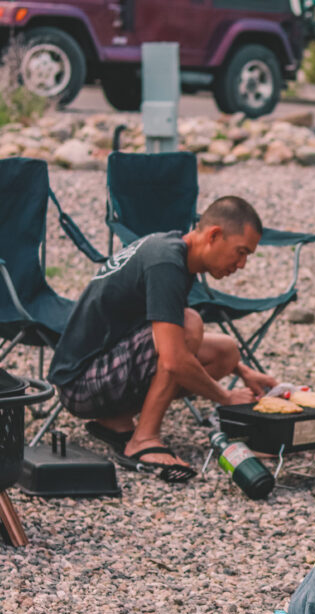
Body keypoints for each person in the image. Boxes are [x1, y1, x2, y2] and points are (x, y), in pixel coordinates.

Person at [48, 196, 277, 483]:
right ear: (214, 235)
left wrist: (242, 371)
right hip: (81, 384)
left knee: (226, 353)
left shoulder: (174, 251)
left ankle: (115, 421)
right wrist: (226, 397)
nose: (242, 264)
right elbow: (173, 358)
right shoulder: (166, 263)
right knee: (189, 324)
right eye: (240, 252)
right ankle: (143, 439)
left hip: (100, 370)